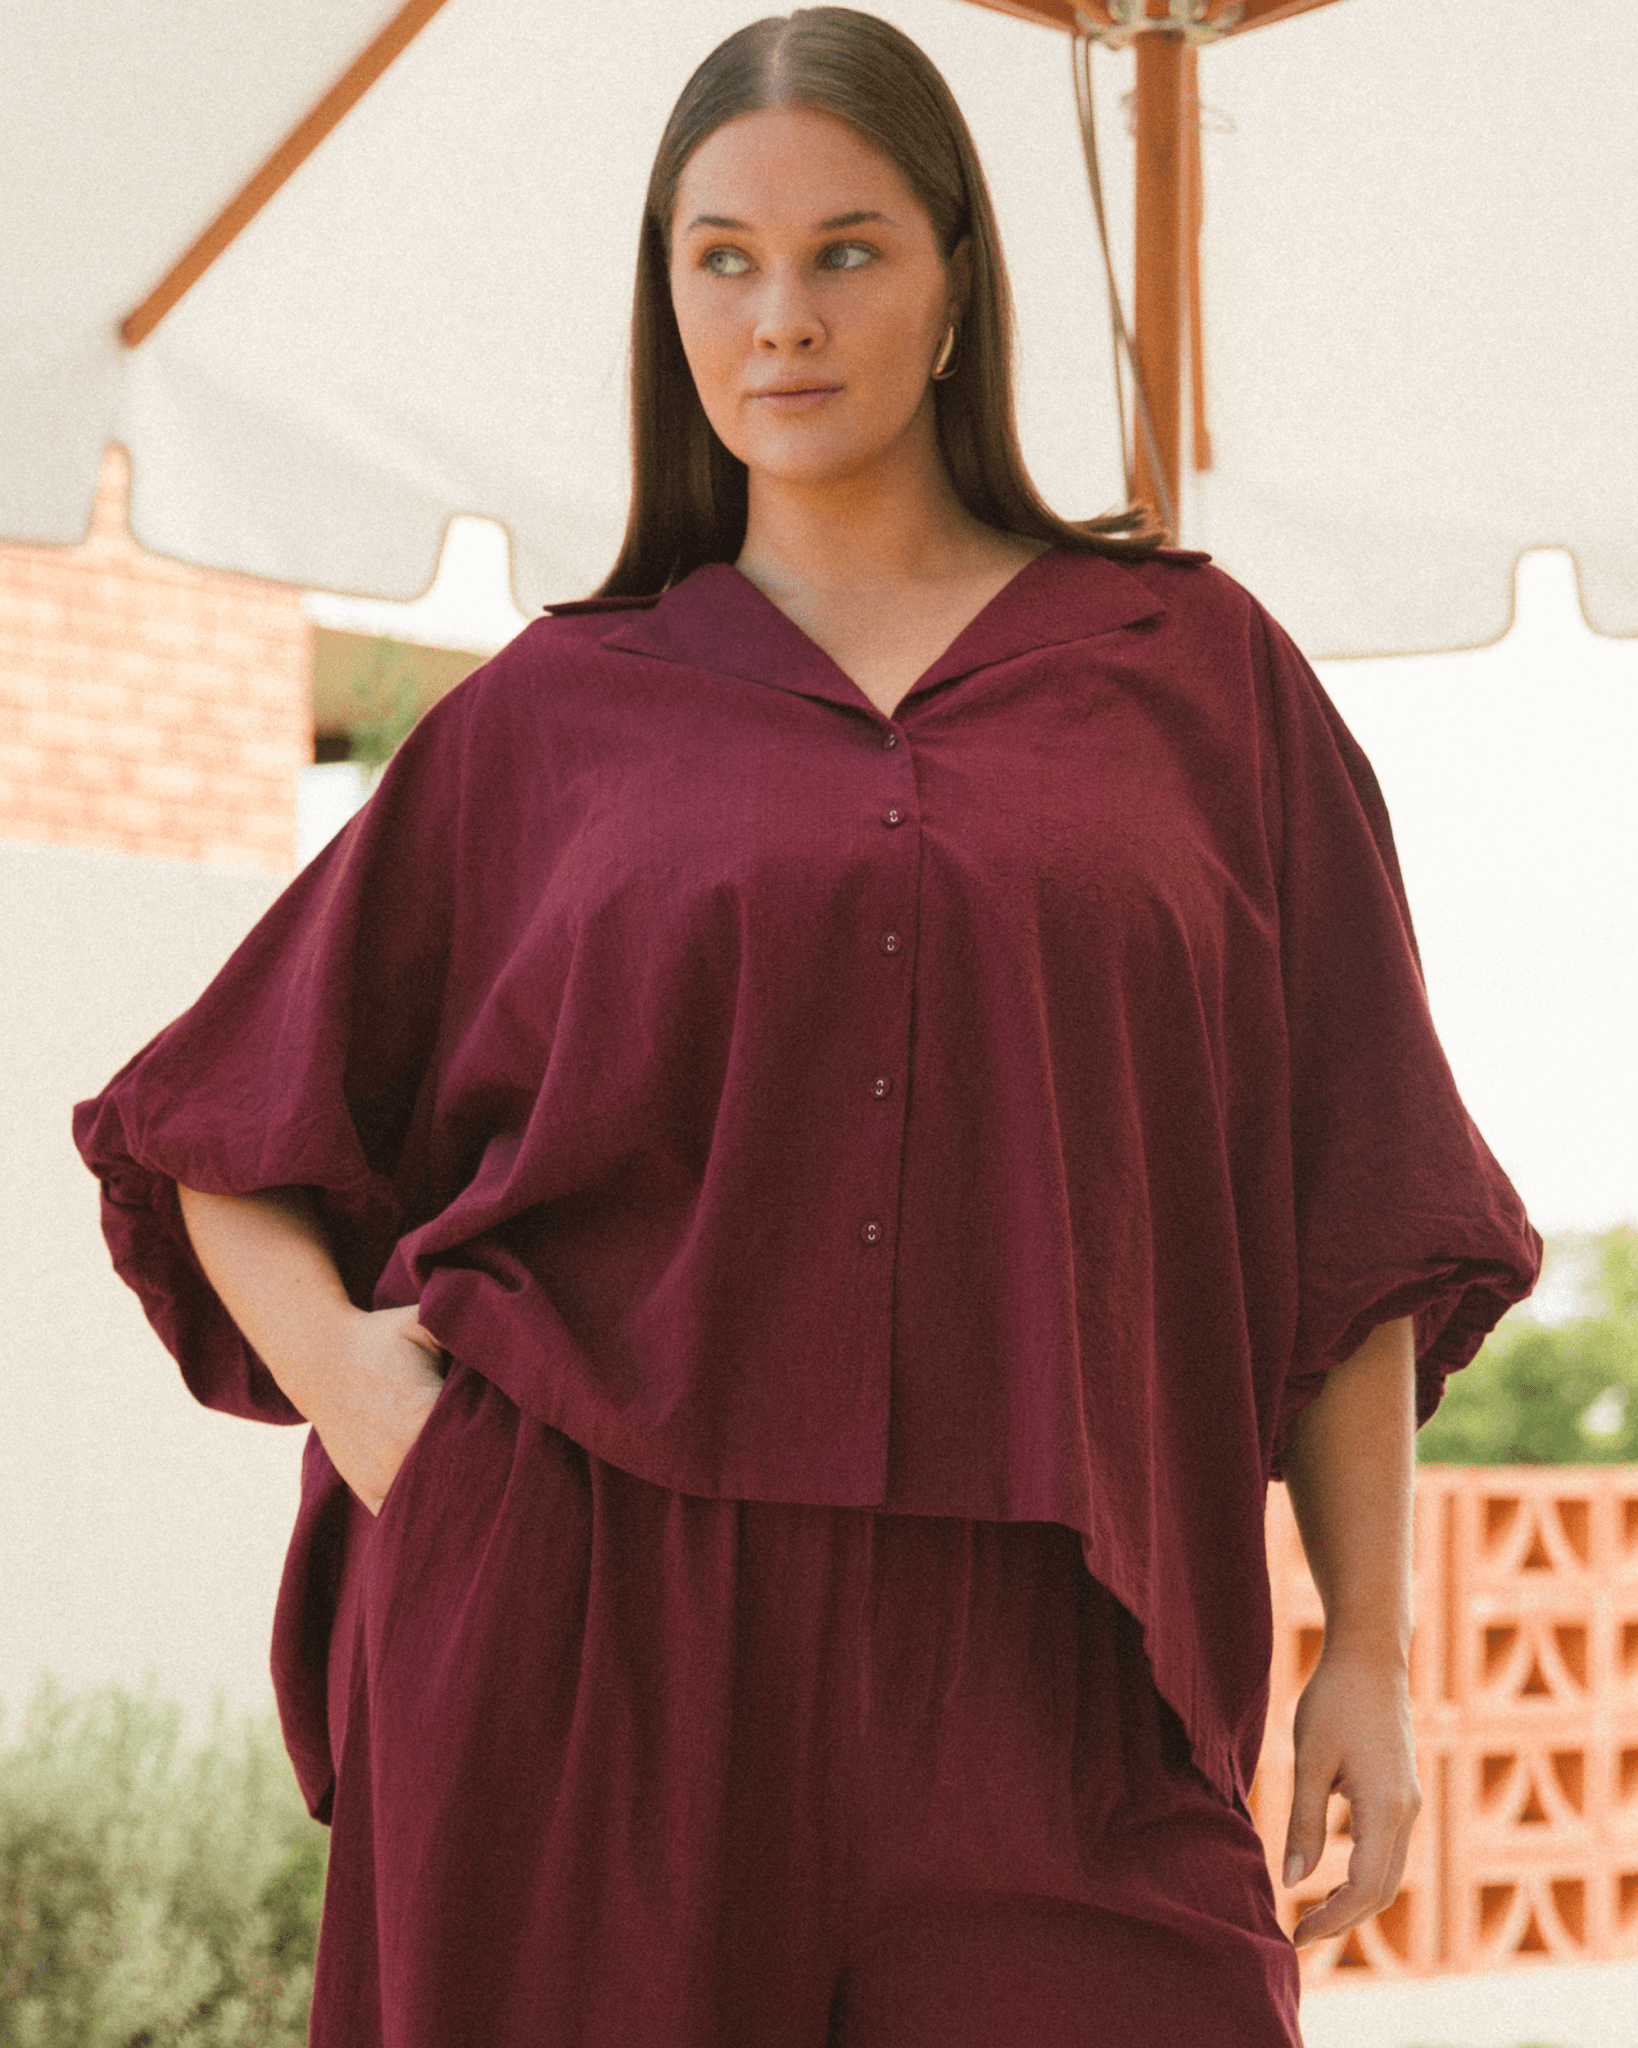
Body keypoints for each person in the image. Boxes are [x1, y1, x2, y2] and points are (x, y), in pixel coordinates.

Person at [73, 9, 1540, 2044]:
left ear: (955, 290)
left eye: (847, 250)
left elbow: (1349, 1198)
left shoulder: (1199, 680)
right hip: (594, 1641)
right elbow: (209, 1123)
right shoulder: (553, 716)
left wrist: (1369, 1645)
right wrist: (372, 1403)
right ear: (665, 294)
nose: (780, 315)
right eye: (722, 258)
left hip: (1072, 1657)